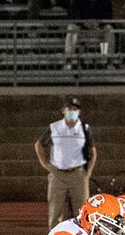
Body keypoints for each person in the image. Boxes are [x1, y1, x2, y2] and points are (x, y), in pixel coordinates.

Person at [36, 95, 92, 225]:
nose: (72, 112)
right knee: (55, 212)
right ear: (63, 110)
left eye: (75, 109)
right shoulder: (54, 128)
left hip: (78, 173)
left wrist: (87, 173)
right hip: (58, 174)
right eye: (69, 108)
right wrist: (45, 163)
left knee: (83, 211)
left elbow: (93, 151)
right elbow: (39, 144)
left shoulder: (84, 128)